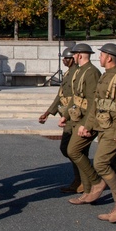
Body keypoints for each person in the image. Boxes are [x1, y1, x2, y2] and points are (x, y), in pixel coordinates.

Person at [76, 43, 116, 223]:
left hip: (114, 129)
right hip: (104, 127)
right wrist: (89, 125)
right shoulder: (106, 76)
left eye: (101, 55)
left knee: (101, 163)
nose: (99, 58)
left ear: (109, 57)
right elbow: (97, 105)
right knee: (113, 164)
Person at [38, 43, 83, 193]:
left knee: (71, 149)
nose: (63, 60)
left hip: (73, 115)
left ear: (72, 59)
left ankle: (85, 178)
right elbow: (60, 96)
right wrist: (48, 112)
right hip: (67, 114)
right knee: (68, 149)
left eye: (66, 58)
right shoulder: (68, 73)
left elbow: (75, 98)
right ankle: (81, 178)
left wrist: (64, 115)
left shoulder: (77, 73)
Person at [64, 43, 102, 204]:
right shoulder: (80, 71)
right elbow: (75, 97)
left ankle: (96, 181)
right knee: (79, 153)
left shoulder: (91, 72)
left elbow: (94, 102)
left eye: (74, 55)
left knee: (73, 151)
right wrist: (65, 115)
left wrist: (87, 124)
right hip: (76, 118)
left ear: (79, 55)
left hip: (85, 119)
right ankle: (87, 191)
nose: (72, 57)